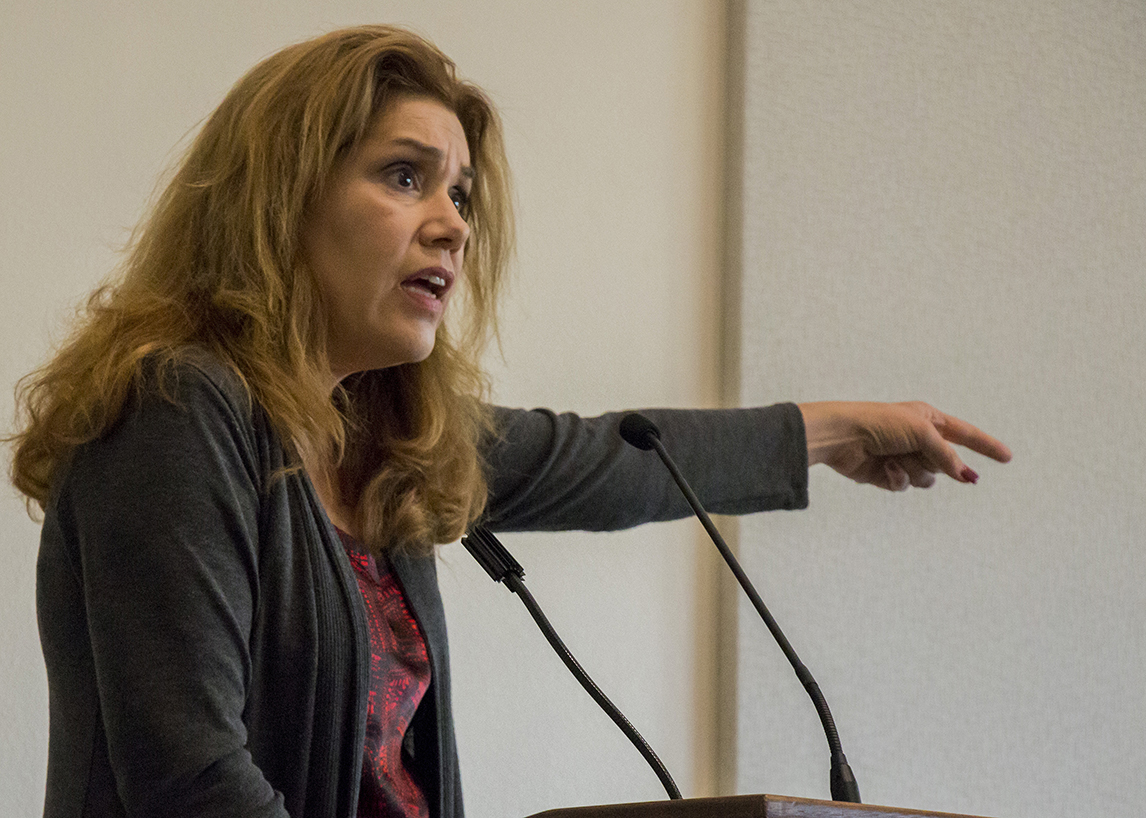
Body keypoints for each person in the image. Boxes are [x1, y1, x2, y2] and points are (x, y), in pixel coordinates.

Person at [6, 24, 1011, 818]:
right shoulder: (177, 407)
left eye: (461, 192)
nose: (452, 221)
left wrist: (835, 430)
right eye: (405, 176)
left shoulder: (385, 442)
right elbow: (190, 778)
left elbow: (615, 459)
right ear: (284, 195)